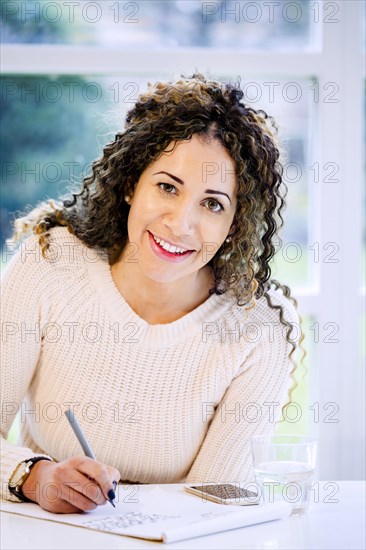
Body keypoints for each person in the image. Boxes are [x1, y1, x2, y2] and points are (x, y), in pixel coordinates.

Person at [1, 73, 303, 514]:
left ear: (234, 225)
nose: (180, 224)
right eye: (167, 187)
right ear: (130, 183)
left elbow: (216, 504)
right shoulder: (50, 263)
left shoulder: (259, 328)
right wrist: (35, 476)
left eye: (213, 203)